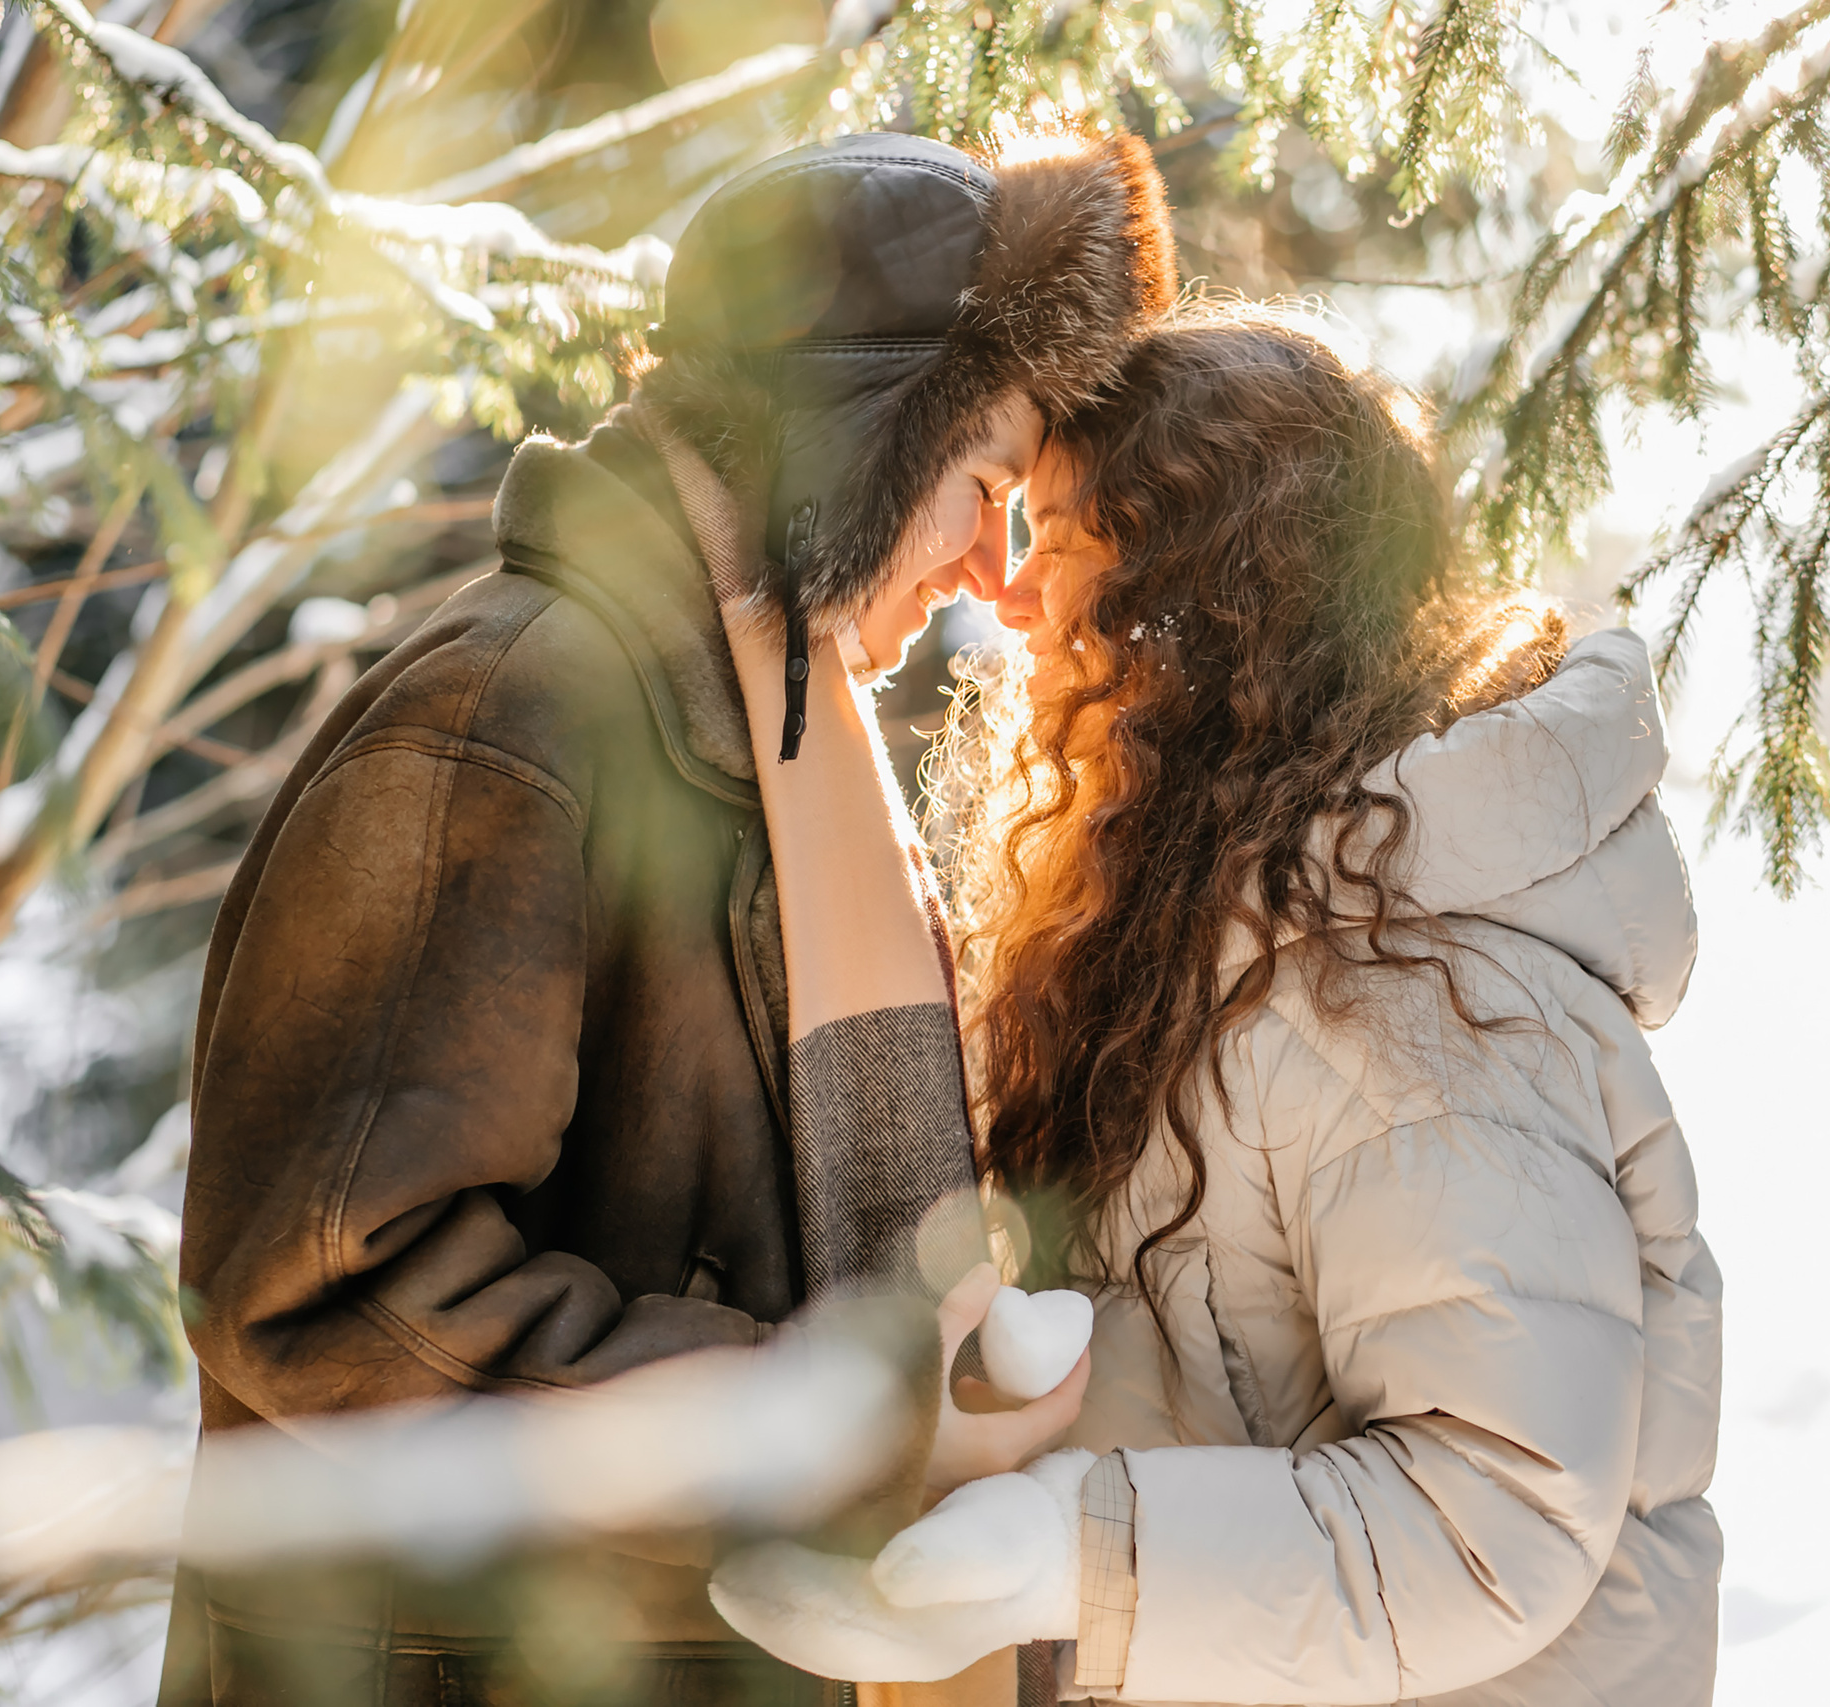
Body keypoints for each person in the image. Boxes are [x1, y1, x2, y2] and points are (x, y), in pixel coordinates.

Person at [165, 129, 1177, 1707]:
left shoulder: (769, 743)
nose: (991, 567)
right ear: (856, 434)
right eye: (981, 487)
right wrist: (817, 1424)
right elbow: (321, 1290)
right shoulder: (508, 717)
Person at [708, 306, 1725, 1706]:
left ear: (1204, 595)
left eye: (1059, 540)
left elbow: (1493, 1518)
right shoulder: (1201, 922)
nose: (1013, 595)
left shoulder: (1423, 995)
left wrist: (1068, 1557)